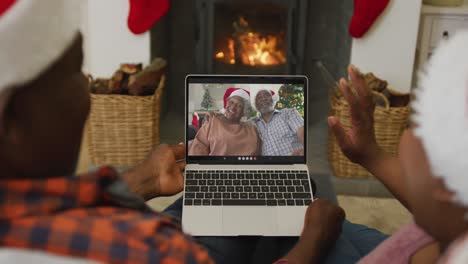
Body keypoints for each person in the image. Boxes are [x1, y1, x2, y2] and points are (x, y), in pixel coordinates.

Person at [0, 1, 346, 263]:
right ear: (11, 117)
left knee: (215, 203)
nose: (88, 95)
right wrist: (312, 243)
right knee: (310, 214)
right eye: (77, 71)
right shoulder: (151, 248)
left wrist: (143, 181)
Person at [326, 31, 468, 263]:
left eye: (416, 123)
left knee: (303, 232)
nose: (407, 133)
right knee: (337, 225)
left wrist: (308, 245)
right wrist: (373, 156)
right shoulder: (452, 219)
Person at [189, 88, 261, 156]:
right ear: (226, 103)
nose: (233, 107)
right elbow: (197, 150)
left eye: (239, 106)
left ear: (244, 112)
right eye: (231, 102)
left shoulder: (252, 130)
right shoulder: (212, 121)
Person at [251, 89, 304, 156]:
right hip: (268, 165)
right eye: (259, 97)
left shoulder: (288, 113)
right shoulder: (253, 124)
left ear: (273, 99)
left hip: (293, 161)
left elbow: (302, 132)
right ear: (255, 104)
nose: (263, 99)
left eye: (267, 95)